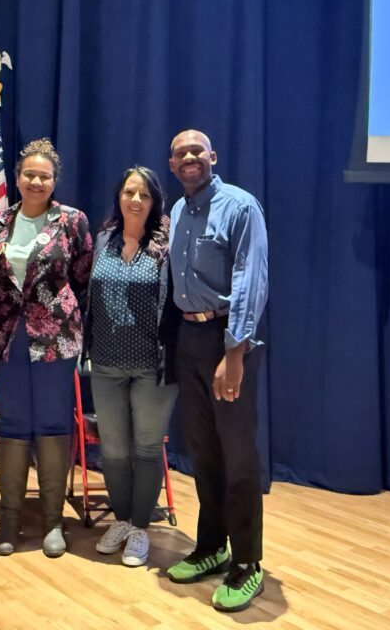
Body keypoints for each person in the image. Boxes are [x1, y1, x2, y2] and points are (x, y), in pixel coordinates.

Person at [163, 129, 269, 613]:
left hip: (228, 343)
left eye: (196, 151)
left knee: (238, 458)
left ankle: (247, 563)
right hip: (190, 340)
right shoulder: (180, 210)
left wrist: (235, 352)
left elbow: (251, 280)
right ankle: (211, 548)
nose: (189, 157)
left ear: (212, 156)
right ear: (171, 163)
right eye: (180, 152)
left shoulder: (241, 206)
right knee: (204, 453)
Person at [0, 138, 93, 558]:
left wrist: (61, 317)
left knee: (51, 424)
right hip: (6, 338)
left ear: (54, 180)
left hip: (56, 339)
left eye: (43, 176)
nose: (35, 180)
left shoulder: (72, 222)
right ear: (17, 178)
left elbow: (82, 278)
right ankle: (8, 522)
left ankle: (52, 523)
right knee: (12, 424)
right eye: (29, 174)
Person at [82, 166, 177, 567]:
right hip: (105, 362)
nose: (135, 200)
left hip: (153, 366)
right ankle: (120, 520)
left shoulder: (168, 243)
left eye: (143, 194)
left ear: (155, 202)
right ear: (118, 197)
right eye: (128, 192)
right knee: (115, 450)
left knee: (147, 448)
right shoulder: (105, 238)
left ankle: (141, 527)